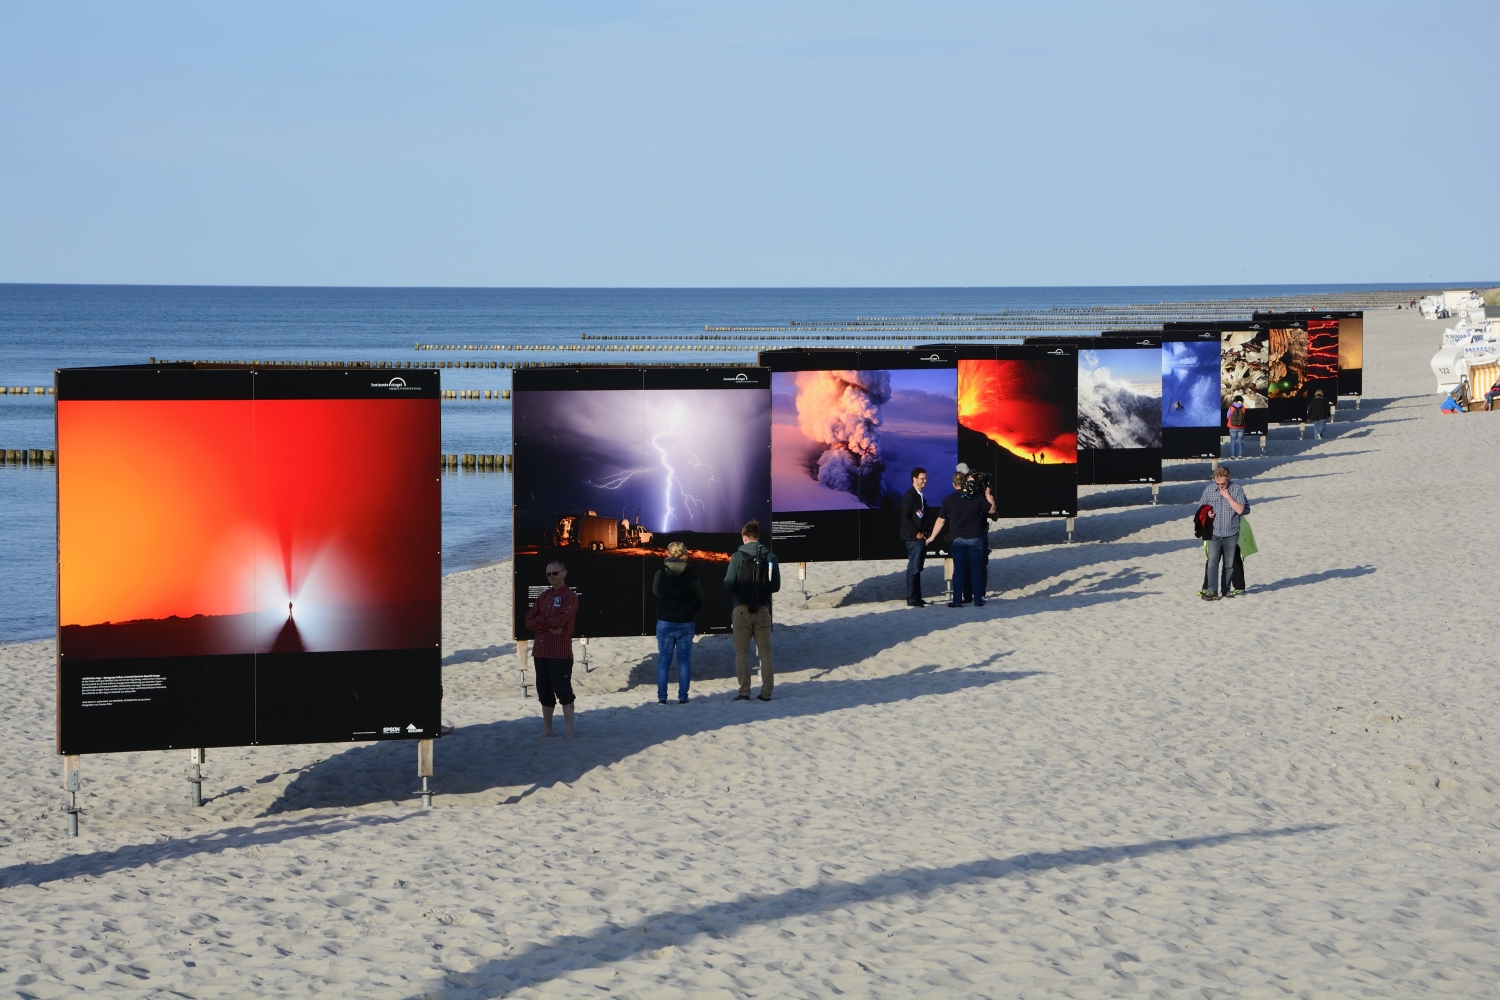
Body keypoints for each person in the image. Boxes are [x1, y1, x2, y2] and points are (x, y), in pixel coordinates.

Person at [724, 520, 780, 701]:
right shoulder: (770, 557)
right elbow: (775, 586)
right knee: (765, 652)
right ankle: (766, 693)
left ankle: (744, 691)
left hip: (741, 610)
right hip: (763, 610)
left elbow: (728, 583)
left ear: (745, 537)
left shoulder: (737, 556)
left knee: (741, 653)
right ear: (758, 537)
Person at [523, 560, 579, 738]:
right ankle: (548, 729)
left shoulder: (570, 597)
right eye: (548, 574)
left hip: (560, 651)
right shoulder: (544, 596)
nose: (552, 577)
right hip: (540, 650)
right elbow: (528, 621)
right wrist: (548, 626)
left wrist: (543, 621)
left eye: (555, 573)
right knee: (544, 691)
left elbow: (560, 621)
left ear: (564, 573)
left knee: (563, 690)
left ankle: (569, 730)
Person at [927, 471, 997, 608]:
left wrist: (932, 537)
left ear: (953, 484)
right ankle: (978, 600)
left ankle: (957, 601)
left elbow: (941, 520)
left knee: (958, 571)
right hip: (975, 539)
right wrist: (988, 493)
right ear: (965, 482)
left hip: (957, 540)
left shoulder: (948, 500)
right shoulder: (976, 497)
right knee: (976, 570)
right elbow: (992, 510)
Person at [652, 541, 703, 704]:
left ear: (669, 554)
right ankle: (683, 697)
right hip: (685, 621)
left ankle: (662, 697)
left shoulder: (660, 573)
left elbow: (655, 591)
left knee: (664, 659)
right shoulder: (691, 574)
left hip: (665, 620)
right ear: (684, 554)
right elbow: (701, 596)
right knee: (684, 659)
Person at [1198, 466, 1249, 600]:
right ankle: (1211, 590)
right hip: (1214, 532)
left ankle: (1226, 590)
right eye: (1218, 484)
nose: (1220, 486)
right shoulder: (1209, 489)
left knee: (1229, 564)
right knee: (1212, 561)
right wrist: (1207, 513)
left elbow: (1240, 510)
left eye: (1223, 484)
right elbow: (1201, 508)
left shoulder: (1236, 489)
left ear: (1228, 480)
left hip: (1231, 532)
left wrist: (1227, 496)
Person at [899, 467, 930, 607]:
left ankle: (917, 597)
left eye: (925, 478)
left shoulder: (920, 495)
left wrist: (924, 531)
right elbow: (905, 517)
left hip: (919, 537)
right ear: (914, 479)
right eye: (922, 478)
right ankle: (911, 598)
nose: (925, 481)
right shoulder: (909, 496)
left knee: (918, 567)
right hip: (912, 538)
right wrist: (916, 533)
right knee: (913, 568)